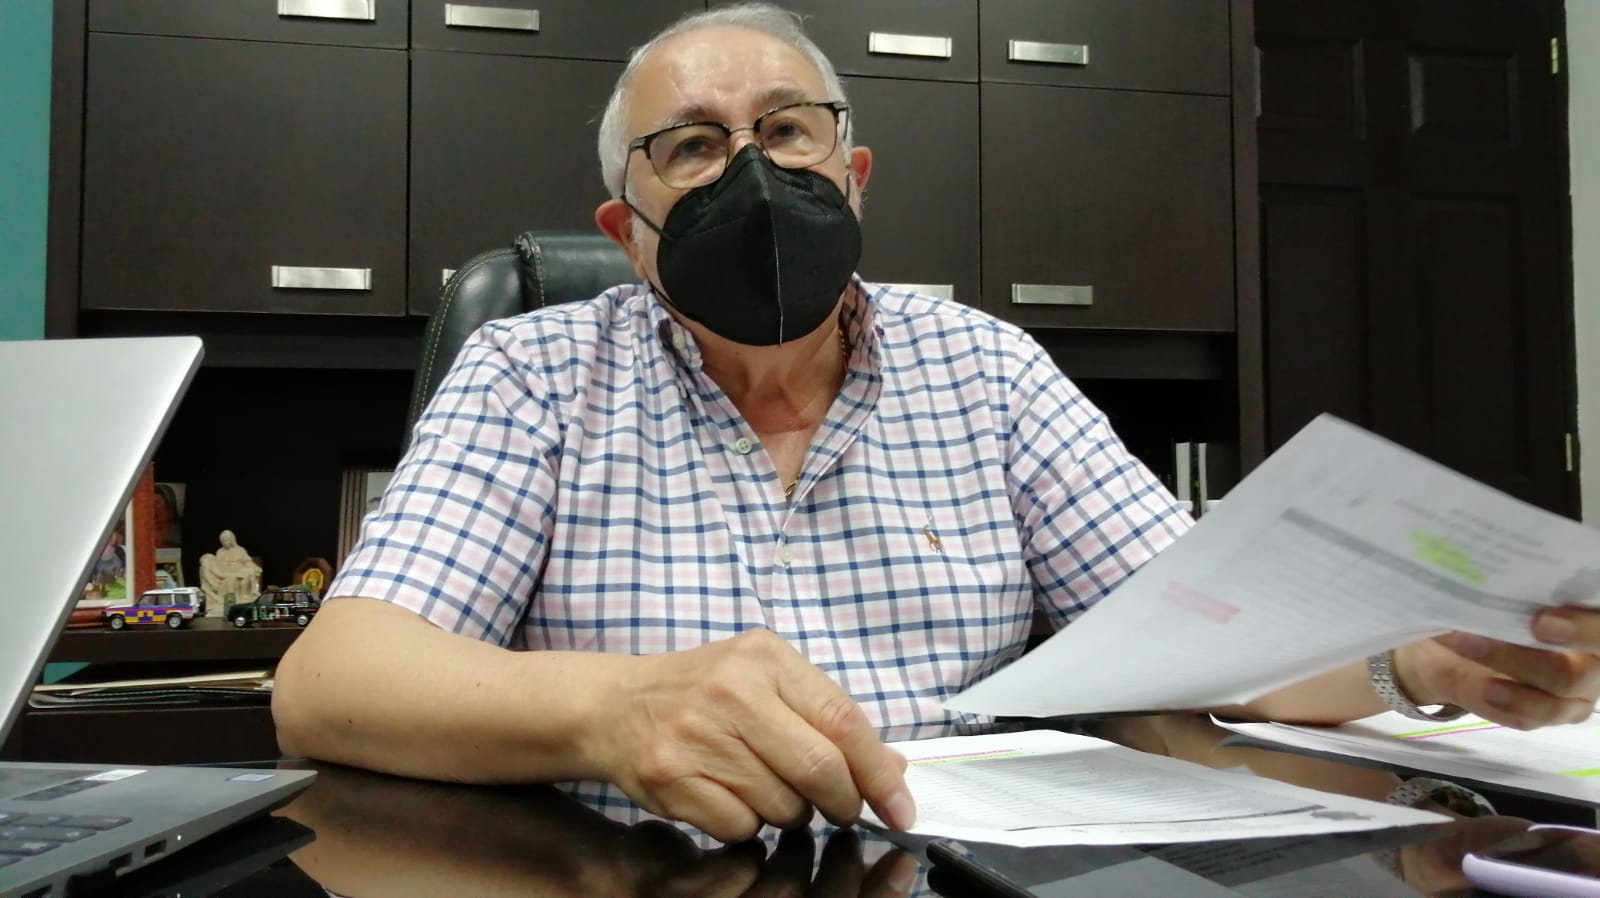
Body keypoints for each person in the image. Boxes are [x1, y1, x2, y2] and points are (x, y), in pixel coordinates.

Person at [273, 3, 1600, 844]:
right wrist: (613, 710)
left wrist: (1416, 661)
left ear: (850, 175)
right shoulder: (533, 373)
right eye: (692, 146)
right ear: (628, 231)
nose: (751, 168)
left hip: (956, 869)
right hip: (629, 872)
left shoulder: (988, 370)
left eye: (787, 130)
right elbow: (332, 685)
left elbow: (1196, 636)